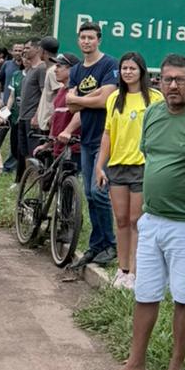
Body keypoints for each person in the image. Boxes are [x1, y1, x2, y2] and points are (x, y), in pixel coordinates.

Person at [95, 55, 185, 370]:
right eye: (167, 79)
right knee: (145, 294)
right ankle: (135, 365)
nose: (173, 85)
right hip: (152, 220)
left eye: (180, 79)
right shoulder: (154, 114)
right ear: (158, 81)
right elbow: (151, 157)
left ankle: (175, 369)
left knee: (184, 297)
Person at [94, 51, 163, 290]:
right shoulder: (114, 98)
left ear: (142, 71)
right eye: (124, 68)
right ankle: (122, 269)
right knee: (121, 220)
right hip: (117, 166)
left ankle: (135, 271)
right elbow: (108, 133)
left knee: (137, 221)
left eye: (132, 68)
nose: (128, 72)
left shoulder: (155, 98)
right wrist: (99, 165)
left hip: (143, 167)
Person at [64, 23, 118, 266]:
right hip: (86, 139)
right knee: (89, 194)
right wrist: (87, 99)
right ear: (78, 41)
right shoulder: (75, 70)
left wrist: (79, 98)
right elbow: (70, 105)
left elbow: (106, 99)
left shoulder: (109, 64)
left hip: (105, 139)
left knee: (99, 192)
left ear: (99, 40)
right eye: (82, 38)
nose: (86, 41)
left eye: (91, 37)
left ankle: (110, 244)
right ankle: (97, 245)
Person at [15, 40, 46, 183]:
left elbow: (43, 93)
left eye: (27, 48)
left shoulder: (41, 69)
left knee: (34, 152)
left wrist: (36, 115)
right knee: (24, 151)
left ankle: (37, 182)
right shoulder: (30, 69)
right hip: (22, 116)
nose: (24, 51)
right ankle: (27, 182)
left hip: (32, 118)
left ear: (37, 49)